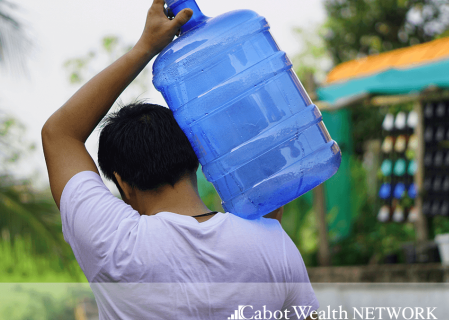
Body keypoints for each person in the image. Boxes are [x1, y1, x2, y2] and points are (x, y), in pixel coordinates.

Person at [42, 0, 320, 319]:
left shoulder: (113, 244)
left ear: (121, 181)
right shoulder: (274, 245)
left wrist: (145, 48)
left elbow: (59, 134)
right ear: (197, 158)